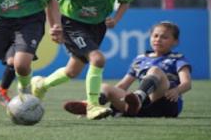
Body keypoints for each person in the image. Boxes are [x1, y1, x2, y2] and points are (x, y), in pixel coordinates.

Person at [31, 0, 134, 120]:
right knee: (98, 59)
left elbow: (125, 1)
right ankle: (93, 106)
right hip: (72, 24)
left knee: (72, 71)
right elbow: (50, 0)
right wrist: (54, 26)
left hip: (97, 26)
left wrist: (116, 19)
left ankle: (42, 85)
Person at [63, 21, 192, 118]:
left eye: (164, 37)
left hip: (166, 103)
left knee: (155, 70)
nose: (158, 39)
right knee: (105, 87)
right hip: (141, 108)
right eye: (155, 36)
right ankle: (91, 106)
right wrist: (111, 95)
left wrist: (176, 90)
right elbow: (123, 85)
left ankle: (138, 98)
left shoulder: (177, 58)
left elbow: (187, 83)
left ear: (175, 41)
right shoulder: (140, 59)